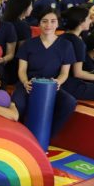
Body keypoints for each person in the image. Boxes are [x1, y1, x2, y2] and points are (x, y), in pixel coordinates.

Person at [12, 7, 77, 139]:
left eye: (53, 21)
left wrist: (58, 82)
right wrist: (25, 82)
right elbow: (22, 70)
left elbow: (64, 73)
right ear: (39, 23)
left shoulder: (66, 45)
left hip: (51, 86)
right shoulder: (28, 44)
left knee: (69, 102)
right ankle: (19, 136)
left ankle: (48, 136)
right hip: (29, 84)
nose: (48, 25)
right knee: (18, 104)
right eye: (44, 21)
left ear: (58, 23)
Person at [60, 7, 94, 104]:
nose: (91, 20)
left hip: (63, 83)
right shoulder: (78, 43)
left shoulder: (61, 37)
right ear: (81, 21)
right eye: (89, 18)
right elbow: (78, 73)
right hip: (72, 86)